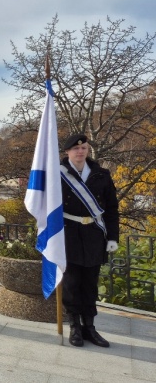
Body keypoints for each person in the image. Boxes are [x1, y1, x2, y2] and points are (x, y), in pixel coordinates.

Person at [60, 133, 119, 348]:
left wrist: (112, 237)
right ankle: (75, 326)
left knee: (90, 284)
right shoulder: (57, 175)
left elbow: (112, 208)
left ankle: (90, 327)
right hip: (68, 233)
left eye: (84, 147)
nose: (80, 151)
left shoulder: (101, 174)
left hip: (94, 233)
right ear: (67, 152)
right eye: (75, 149)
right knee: (71, 283)